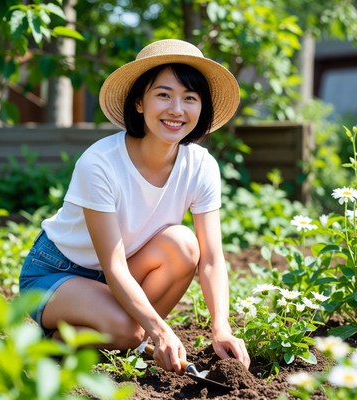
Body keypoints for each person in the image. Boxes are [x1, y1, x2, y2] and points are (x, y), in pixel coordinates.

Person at [19, 39, 250, 374]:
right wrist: (161, 331)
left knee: (185, 245)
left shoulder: (200, 166)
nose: (176, 109)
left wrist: (222, 327)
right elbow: (112, 266)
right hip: (58, 272)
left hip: (125, 270)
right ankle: (57, 341)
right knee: (129, 330)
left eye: (190, 98)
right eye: (164, 94)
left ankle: (121, 334)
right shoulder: (100, 162)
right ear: (140, 102)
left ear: (201, 108)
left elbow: (212, 258)